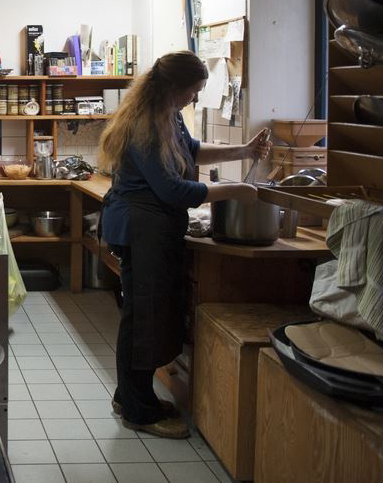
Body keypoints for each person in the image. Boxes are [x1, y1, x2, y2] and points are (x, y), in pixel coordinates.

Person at [97, 50, 271, 439]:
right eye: (194, 90)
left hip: (154, 228)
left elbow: (190, 149)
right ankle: (139, 411)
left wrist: (242, 151)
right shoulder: (144, 125)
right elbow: (172, 190)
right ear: (174, 87)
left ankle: (130, 397)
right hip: (141, 228)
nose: (196, 97)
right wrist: (233, 190)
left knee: (145, 315)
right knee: (144, 318)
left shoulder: (169, 114)